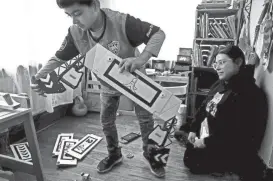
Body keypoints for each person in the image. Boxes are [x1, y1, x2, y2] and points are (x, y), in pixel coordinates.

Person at [31, 0, 166, 177]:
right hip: (108, 82)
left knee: (146, 119)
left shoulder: (122, 22)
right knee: (106, 120)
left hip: (135, 79)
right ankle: (114, 154)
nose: (74, 21)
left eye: (77, 13)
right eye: (69, 15)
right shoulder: (75, 33)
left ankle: (152, 156)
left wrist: (141, 60)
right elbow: (59, 58)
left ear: (95, 5)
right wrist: (40, 76)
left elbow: (158, 34)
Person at [183, 45, 268, 181]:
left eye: (222, 62)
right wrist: (194, 128)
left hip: (229, 146)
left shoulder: (248, 93)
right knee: (189, 149)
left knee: (192, 160)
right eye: (216, 63)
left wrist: (205, 142)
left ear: (238, 62)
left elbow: (236, 134)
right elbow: (204, 106)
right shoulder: (220, 83)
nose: (217, 67)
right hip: (211, 134)